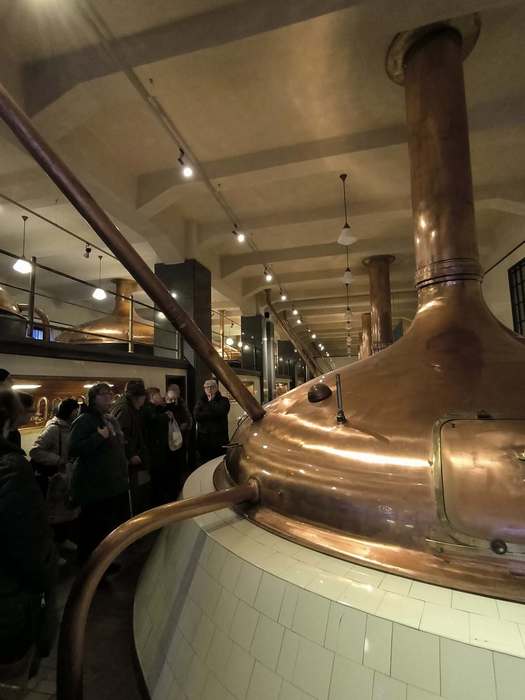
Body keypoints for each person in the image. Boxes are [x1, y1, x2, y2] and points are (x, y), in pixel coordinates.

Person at [0, 389, 58, 669]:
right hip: (10, 598)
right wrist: (47, 577)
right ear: (7, 422)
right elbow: (27, 541)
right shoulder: (12, 467)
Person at [69, 383, 129, 566]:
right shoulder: (85, 420)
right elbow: (74, 449)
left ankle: (103, 564)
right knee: (92, 530)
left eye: (110, 393)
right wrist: (98, 437)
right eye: (104, 394)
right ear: (93, 399)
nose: (109, 397)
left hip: (108, 483)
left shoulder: (107, 418)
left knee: (105, 528)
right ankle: (90, 568)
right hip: (94, 485)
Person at [29, 399, 80, 561]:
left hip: (66, 476)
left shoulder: (71, 427)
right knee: (52, 515)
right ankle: (51, 552)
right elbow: (35, 451)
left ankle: (62, 541)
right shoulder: (54, 429)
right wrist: (58, 460)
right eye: (76, 410)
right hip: (54, 477)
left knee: (64, 512)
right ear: (72, 412)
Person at [111, 379, 149, 513]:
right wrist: (131, 454)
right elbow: (121, 435)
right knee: (132, 497)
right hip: (128, 462)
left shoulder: (127, 407)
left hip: (129, 459)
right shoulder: (125, 410)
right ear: (138, 397)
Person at [143, 388, 176, 505]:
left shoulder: (156, 408)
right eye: (158, 394)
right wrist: (166, 416)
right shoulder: (147, 409)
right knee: (157, 478)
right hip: (154, 451)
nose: (161, 397)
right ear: (152, 396)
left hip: (159, 449)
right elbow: (154, 420)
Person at [194, 379, 230, 464]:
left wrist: (211, 403)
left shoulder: (224, 400)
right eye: (207, 387)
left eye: (212, 387)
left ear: (216, 388)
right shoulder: (200, 401)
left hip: (219, 438)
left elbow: (221, 412)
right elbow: (197, 416)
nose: (209, 389)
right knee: (204, 462)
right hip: (204, 438)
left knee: (218, 462)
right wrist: (212, 413)